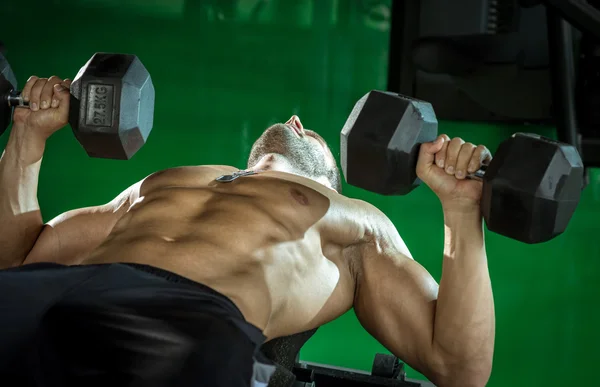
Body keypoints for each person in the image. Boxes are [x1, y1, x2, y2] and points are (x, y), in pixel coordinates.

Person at [0, 76, 495, 387]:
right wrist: (28, 136)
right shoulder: (170, 180)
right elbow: (18, 258)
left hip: (186, 323)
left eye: (312, 132)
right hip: (63, 293)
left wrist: (461, 207)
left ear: (328, 176)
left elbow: (459, 367)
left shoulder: (350, 218)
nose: (297, 121)